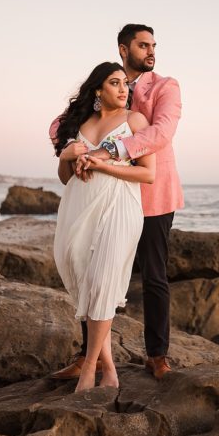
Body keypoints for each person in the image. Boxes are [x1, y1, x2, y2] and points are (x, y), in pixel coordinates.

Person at [50, 24, 184, 381]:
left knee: (154, 275)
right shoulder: (105, 80)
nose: (150, 51)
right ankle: (87, 356)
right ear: (124, 49)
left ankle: (157, 355)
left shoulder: (165, 87)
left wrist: (107, 150)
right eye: (143, 45)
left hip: (151, 196)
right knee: (92, 268)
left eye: (153, 45)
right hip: (99, 196)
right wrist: (71, 149)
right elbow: (60, 124)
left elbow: (161, 133)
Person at [51, 61, 156, 392]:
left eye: (126, 83)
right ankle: (109, 368)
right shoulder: (80, 124)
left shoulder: (135, 121)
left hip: (120, 206)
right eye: (115, 83)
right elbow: (66, 178)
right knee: (85, 278)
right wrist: (67, 155)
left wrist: (104, 165)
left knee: (104, 280)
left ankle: (89, 371)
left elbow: (148, 174)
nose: (124, 89)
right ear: (98, 90)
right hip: (79, 207)